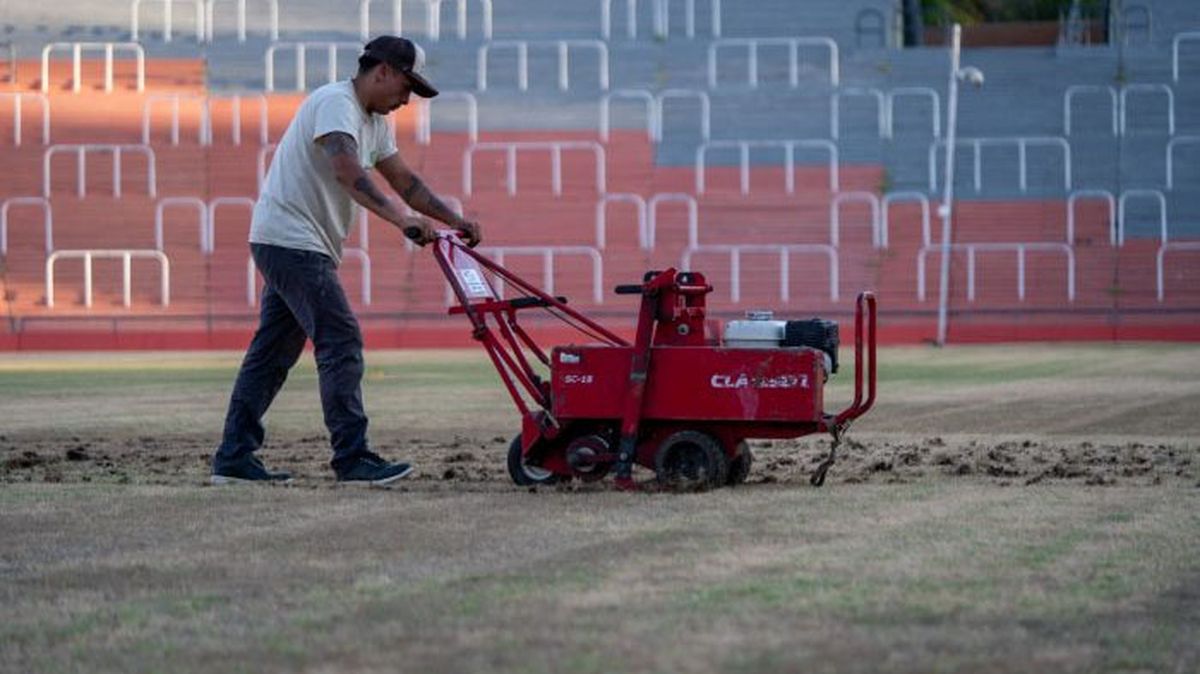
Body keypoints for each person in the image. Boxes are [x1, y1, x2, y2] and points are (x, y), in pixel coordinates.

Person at [211, 36, 480, 485]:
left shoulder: (375, 123)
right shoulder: (336, 103)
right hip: (291, 240)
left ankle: (234, 458)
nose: (406, 99)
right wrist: (401, 221)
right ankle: (352, 458)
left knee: (272, 354)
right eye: (405, 87)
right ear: (383, 72)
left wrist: (455, 219)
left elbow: (405, 181)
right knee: (340, 340)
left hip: (296, 241)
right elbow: (347, 171)